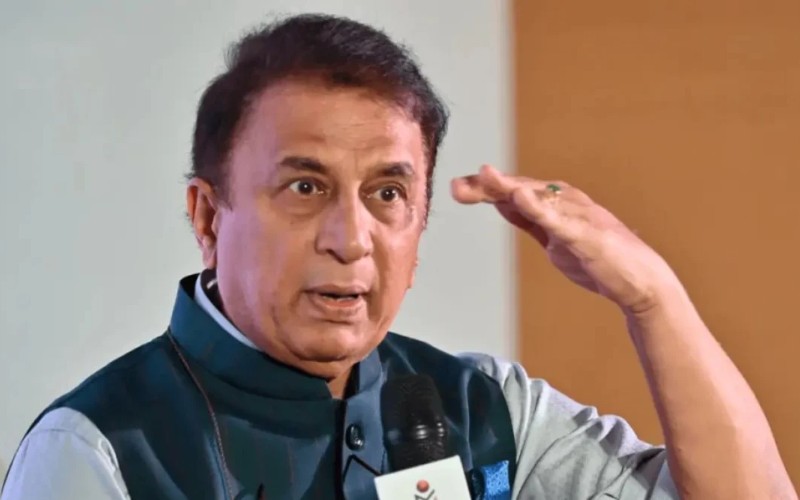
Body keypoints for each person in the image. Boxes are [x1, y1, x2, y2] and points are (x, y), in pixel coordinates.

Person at [1, 12, 795, 500]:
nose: (351, 240)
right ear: (209, 217)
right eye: (305, 187)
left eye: (387, 193)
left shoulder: (485, 411)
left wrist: (653, 299)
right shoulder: (101, 447)